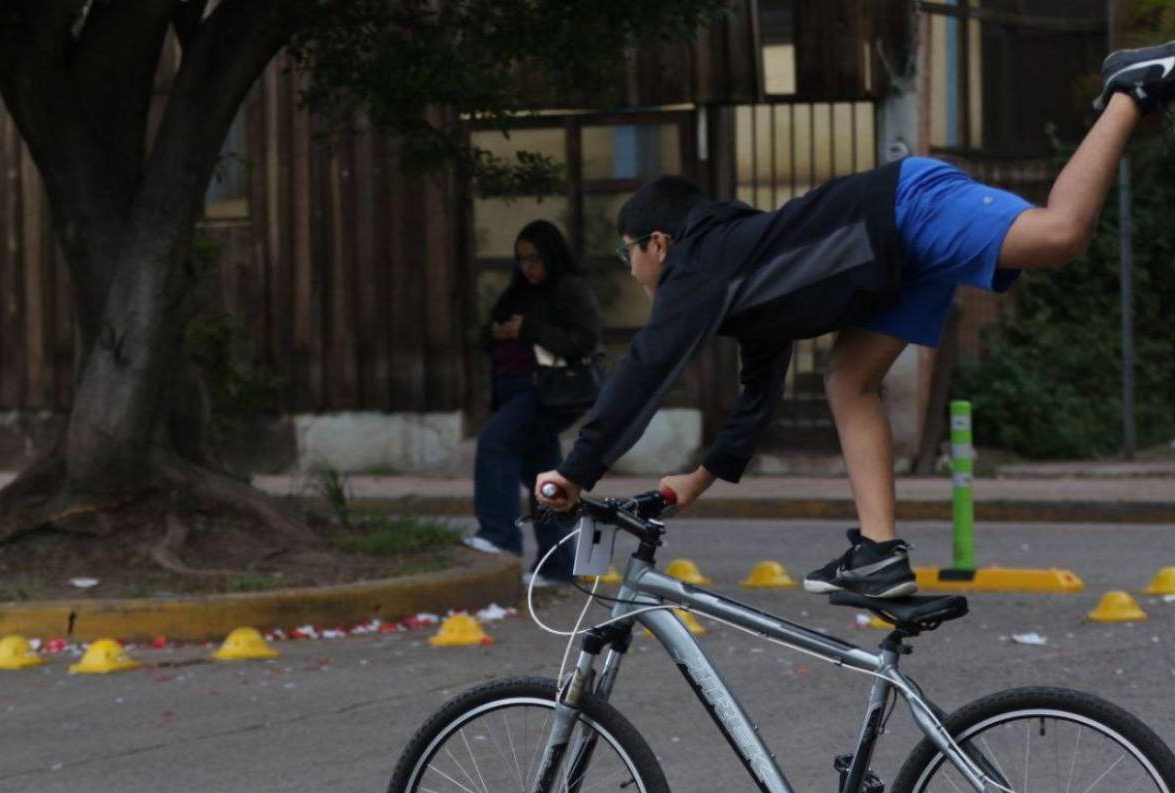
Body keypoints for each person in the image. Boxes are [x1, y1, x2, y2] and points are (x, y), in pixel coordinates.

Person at [534, 41, 1175, 597]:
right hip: (892, 256)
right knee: (849, 382)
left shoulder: (699, 267)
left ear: (658, 243)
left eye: (627, 254)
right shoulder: (740, 275)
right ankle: (878, 554)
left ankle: (1129, 87)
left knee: (1058, 234)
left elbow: (649, 365)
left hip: (903, 208)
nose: (631, 269)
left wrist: (576, 468)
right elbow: (759, 395)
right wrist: (695, 482)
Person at [463, 220, 602, 587]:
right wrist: (496, 332)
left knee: (495, 443)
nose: (528, 267)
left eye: (535, 259)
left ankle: (498, 536)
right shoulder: (519, 290)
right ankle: (556, 566)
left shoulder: (569, 290)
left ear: (551, 256)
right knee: (546, 480)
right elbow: (490, 332)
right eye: (522, 260)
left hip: (545, 393)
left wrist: (528, 329)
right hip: (512, 389)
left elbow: (584, 342)